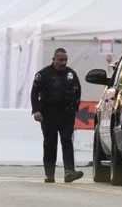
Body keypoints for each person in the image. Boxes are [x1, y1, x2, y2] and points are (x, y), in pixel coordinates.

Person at [30, 48, 84, 183]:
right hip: (48, 114)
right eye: (60, 60)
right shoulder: (43, 74)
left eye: (65, 60)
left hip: (66, 114)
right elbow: (34, 93)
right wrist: (36, 110)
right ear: (53, 59)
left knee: (67, 141)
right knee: (50, 143)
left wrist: (74, 109)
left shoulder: (71, 73)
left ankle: (69, 172)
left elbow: (78, 91)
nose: (63, 63)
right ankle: (49, 174)